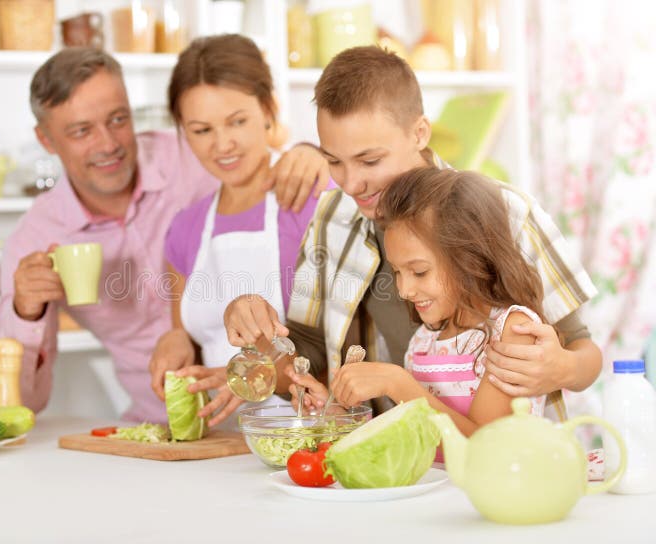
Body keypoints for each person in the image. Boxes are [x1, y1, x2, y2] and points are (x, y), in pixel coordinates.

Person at [223, 46, 602, 419]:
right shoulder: (332, 216)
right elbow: (309, 355)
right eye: (334, 161)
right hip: (393, 452)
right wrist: (259, 336)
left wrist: (562, 368)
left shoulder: (505, 211)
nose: (351, 184)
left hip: (506, 453)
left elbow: (583, 349)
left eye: (370, 160)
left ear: (419, 133)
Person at [0, 47, 328, 423]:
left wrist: (316, 154)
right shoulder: (37, 237)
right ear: (46, 140)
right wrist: (26, 311)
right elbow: (22, 403)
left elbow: (255, 145)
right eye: (81, 131)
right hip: (159, 420)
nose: (107, 144)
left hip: (284, 414)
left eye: (118, 119)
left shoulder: (190, 153)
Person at [294, 167, 549, 440]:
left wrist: (397, 383)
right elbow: (416, 440)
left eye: (419, 272)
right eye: (397, 272)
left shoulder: (513, 331)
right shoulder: (424, 341)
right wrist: (337, 414)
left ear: (470, 258)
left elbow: (485, 446)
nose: (404, 290)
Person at [147, 35, 324, 427]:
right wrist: (176, 340)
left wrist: (255, 371)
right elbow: (189, 336)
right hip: (222, 441)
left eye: (237, 121)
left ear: (268, 109)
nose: (223, 144)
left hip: (306, 436)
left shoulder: (310, 198)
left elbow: (342, 349)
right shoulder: (185, 227)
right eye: (201, 130)